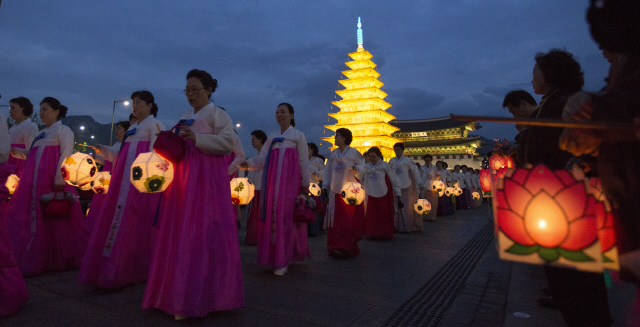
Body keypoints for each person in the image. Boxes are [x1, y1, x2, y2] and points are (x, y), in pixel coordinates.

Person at [519, 48, 612, 327]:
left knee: (577, 277)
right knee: (566, 275)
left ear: (550, 74)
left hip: (566, 198)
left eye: (535, 72)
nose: (531, 77)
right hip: (553, 197)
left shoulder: (564, 103)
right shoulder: (550, 102)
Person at [142, 69, 244, 320]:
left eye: (195, 89)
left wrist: (196, 138)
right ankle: (176, 293)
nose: (190, 94)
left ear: (209, 90)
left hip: (207, 180)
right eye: (187, 90)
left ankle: (202, 296)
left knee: (202, 231)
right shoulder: (185, 116)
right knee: (181, 230)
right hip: (184, 179)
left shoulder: (219, 115)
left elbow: (226, 144)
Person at [78, 90, 166, 288]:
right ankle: (117, 266)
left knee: (136, 222)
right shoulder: (133, 129)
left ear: (150, 105)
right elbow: (120, 154)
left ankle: (135, 267)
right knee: (121, 220)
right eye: (133, 103)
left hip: (140, 184)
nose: (135, 106)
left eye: (139, 103)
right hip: (123, 182)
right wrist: (104, 150)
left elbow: (156, 154)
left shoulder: (155, 125)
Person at [6, 97, 88, 276]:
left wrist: (60, 178)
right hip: (35, 180)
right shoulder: (42, 133)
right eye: (40, 110)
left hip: (50, 179)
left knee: (54, 216)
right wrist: (19, 152)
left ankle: (56, 257)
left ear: (56, 111)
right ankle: (40, 255)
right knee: (39, 216)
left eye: (45, 109)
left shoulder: (63, 130)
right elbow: (34, 154)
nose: (42, 113)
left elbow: (66, 155)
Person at [241, 102, 311, 275]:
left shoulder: (298, 136)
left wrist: (305, 185)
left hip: (290, 186)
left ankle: (283, 259)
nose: (279, 115)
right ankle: (274, 256)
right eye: (277, 112)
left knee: (285, 219)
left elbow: (303, 162)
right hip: (272, 186)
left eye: (283, 112)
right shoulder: (272, 137)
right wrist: (247, 164)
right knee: (272, 219)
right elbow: (263, 159)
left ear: (292, 115)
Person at [0, 110, 30, 317]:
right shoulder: (12, 126)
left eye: (15, 107)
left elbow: (3, 151)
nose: (11, 111)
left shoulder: (31, 127)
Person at [322, 128, 365, 257]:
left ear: (345, 138)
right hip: (335, 190)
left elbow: (363, 167)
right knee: (335, 220)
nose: (335, 138)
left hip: (350, 191)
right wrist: (325, 185)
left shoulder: (354, 153)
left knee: (348, 220)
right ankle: (335, 245)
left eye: (338, 136)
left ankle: (347, 247)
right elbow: (327, 171)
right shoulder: (333, 154)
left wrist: (355, 168)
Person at [85, 120, 130, 232]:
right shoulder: (116, 145)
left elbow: (113, 155)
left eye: (120, 129)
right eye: (117, 128)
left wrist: (102, 149)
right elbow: (109, 159)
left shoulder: (126, 145)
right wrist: (98, 156)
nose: (117, 131)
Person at [359, 147, 400, 239]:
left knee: (382, 214)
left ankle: (383, 233)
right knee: (371, 215)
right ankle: (372, 233)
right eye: (370, 157)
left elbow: (393, 177)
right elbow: (360, 175)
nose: (372, 159)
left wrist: (397, 191)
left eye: (374, 156)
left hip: (383, 193)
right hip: (370, 193)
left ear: (379, 156)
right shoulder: (366, 166)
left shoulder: (385, 165)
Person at [389, 142, 424, 232]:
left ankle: (406, 227)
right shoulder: (392, 161)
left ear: (402, 150)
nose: (397, 151)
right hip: (395, 186)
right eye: (395, 150)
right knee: (396, 207)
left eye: (398, 149)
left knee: (406, 207)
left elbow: (415, 171)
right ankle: (396, 226)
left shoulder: (407, 160)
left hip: (406, 185)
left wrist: (420, 183)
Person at [7, 97, 39, 178]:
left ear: (23, 108)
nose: (10, 111)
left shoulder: (31, 126)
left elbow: (33, 153)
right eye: (10, 108)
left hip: (22, 167)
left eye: (13, 108)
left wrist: (16, 151)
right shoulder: (12, 128)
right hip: (10, 165)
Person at [245, 129, 267, 246]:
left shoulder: (265, 153)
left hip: (260, 188)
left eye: (254, 138)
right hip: (254, 187)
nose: (252, 141)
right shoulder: (258, 153)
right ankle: (254, 237)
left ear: (261, 139)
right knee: (253, 215)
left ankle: (258, 238)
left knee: (257, 215)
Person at [307, 142, 325, 236]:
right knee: (306, 208)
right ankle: (306, 230)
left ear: (312, 150)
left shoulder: (318, 160)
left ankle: (315, 229)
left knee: (315, 208)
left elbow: (324, 172)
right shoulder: (303, 160)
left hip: (315, 186)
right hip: (306, 187)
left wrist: (316, 174)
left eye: (308, 148)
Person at [419, 154, 438, 221]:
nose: (427, 162)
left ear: (431, 160)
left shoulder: (434, 168)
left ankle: (432, 217)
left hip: (432, 188)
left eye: (429, 160)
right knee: (424, 202)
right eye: (426, 160)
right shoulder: (422, 168)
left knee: (433, 203)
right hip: (424, 187)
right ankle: (424, 217)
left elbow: (437, 177)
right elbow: (419, 177)